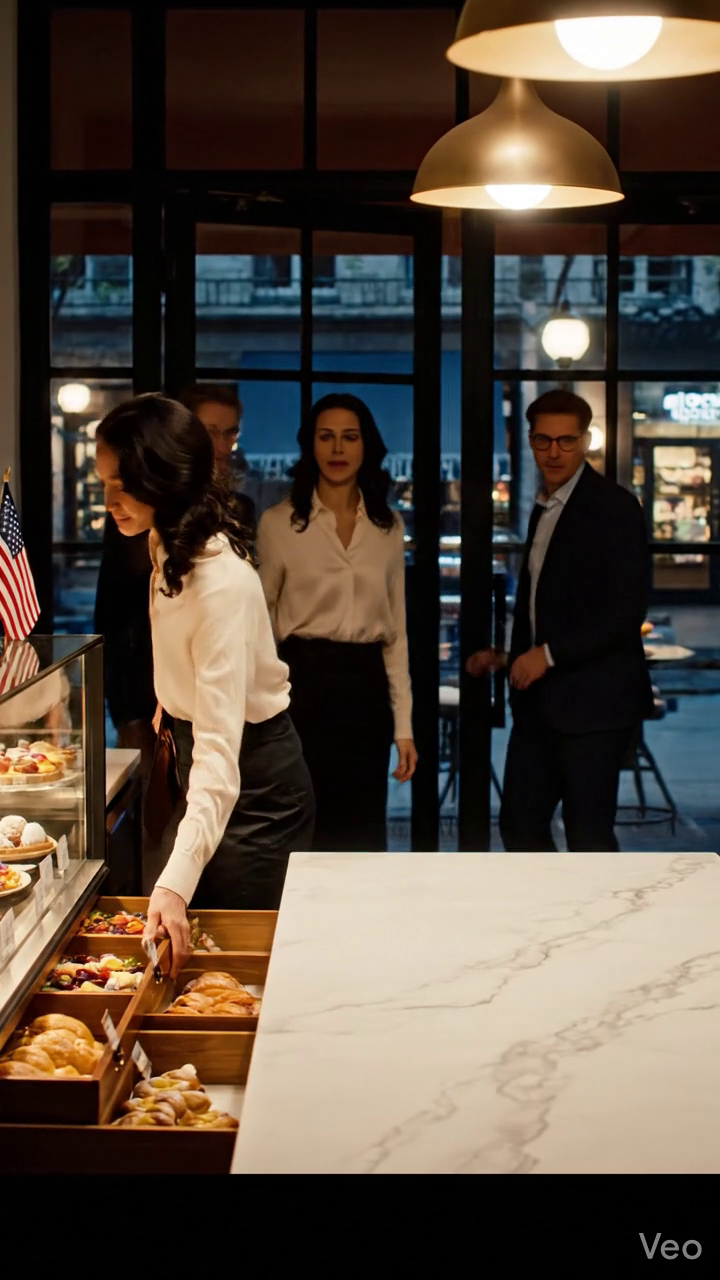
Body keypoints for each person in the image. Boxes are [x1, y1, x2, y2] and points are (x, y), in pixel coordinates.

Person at [95, 393, 315, 975]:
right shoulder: (159, 539)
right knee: (177, 944)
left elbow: (222, 759)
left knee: (232, 971)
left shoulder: (222, 585)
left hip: (256, 789)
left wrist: (172, 886)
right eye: (104, 484)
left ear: (164, 479)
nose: (109, 502)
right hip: (199, 759)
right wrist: (170, 708)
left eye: (122, 484)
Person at [467, 389, 653, 853]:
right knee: (519, 827)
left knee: (588, 837)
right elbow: (551, 603)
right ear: (529, 441)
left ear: (586, 441)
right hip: (539, 705)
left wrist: (546, 655)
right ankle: (547, 923)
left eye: (566, 441)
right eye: (543, 440)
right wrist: (512, 656)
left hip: (595, 704)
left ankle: (598, 928)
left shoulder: (615, 508)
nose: (553, 452)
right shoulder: (543, 507)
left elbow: (626, 613)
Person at [257, 393, 417, 853]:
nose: (338, 449)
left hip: (366, 691)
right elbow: (260, 625)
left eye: (350, 437)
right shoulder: (279, 524)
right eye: (326, 437)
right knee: (304, 826)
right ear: (311, 446)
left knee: (363, 828)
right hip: (301, 685)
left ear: (367, 446)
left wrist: (403, 726)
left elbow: (397, 633)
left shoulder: (389, 527)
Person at [94, 382, 254, 761]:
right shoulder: (132, 515)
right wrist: (125, 710)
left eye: (229, 432)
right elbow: (113, 612)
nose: (220, 443)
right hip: (148, 688)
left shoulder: (226, 552)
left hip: (212, 697)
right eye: (208, 431)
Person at [178, 383, 256, 538]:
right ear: (183, 434)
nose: (223, 447)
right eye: (211, 433)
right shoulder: (156, 507)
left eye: (229, 433)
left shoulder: (240, 509)